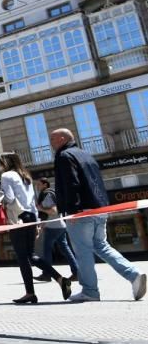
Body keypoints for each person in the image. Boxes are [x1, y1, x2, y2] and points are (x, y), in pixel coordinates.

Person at [51, 129, 147, 303]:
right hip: (99, 209)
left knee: (83, 251)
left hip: (81, 212)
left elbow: (71, 184)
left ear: (63, 139)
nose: (51, 143)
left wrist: (71, 210)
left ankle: (90, 291)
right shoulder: (86, 155)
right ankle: (134, 275)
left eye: (53, 138)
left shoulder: (64, 156)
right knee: (101, 246)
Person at [0, 152, 71, 304]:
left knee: (22, 257)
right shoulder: (26, 177)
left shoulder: (6, 176)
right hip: (30, 217)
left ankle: (30, 293)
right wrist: (37, 222)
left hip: (18, 217)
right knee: (31, 255)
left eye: (0, 162)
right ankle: (60, 279)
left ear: (5, 163)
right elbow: (32, 202)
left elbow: (10, 198)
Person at [33, 177, 78, 283]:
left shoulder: (47, 194)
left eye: (39, 184)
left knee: (47, 250)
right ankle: (77, 273)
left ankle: (47, 274)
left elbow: (53, 211)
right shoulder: (53, 193)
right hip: (60, 225)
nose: (37, 187)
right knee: (66, 249)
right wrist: (41, 226)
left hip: (53, 227)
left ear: (45, 185)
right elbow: (49, 215)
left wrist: (40, 208)